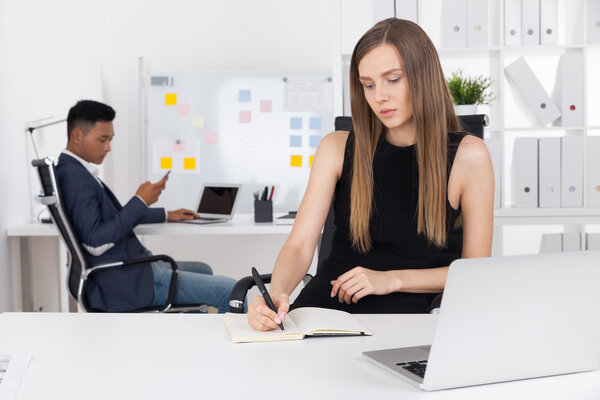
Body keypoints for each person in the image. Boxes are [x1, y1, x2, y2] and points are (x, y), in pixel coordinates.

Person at [248, 18, 494, 331]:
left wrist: (390, 280)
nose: (379, 97)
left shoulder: (469, 157)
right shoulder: (336, 147)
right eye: (368, 84)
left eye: (393, 79)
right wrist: (277, 293)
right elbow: (299, 246)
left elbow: (475, 271)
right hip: (324, 313)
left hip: (409, 318)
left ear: (423, 77)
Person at [57, 100, 236, 312]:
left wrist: (165, 214)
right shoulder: (75, 177)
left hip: (129, 268)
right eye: (102, 139)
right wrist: (140, 200)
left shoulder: (75, 170)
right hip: (126, 280)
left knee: (203, 269)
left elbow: (111, 219)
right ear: (77, 136)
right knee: (232, 290)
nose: (108, 147)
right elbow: (95, 242)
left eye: (110, 140)